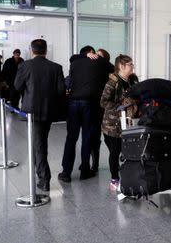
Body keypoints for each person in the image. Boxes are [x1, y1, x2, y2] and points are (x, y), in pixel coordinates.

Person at [14, 39, 65, 192]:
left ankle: (44, 178)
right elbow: (61, 90)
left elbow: (17, 86)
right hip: (49, 111)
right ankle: (41, 174)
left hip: (32, 111)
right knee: (40, 141)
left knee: (39, 143)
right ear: (45, 51)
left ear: (32, 50)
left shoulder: (25, 66)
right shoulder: (56, 67)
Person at [58, 46, 113, 183]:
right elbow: (113, 68)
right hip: (90, 104)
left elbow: (72, 59)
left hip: (73, 103)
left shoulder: (75, 61)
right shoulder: (100, 62)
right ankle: (85, 171)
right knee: (87, 137)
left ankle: (66, 172)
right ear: (92, 53)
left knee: (71, 137)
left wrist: (84, 56)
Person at [101, 54, 138, 191]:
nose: (132, 66)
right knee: (114, 152)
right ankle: (114, 179)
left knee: (128, 150)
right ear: (121, 66)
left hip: (127, 123)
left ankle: (129, 175)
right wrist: (119, 106)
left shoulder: (132, 80)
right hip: (112, 125)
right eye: (130, 64)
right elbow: (103, 102)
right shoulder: (113, 82)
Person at [90, 48, 114, 172]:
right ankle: (95, 164)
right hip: (95, 108)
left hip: (105, 111)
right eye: (95, 55)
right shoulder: (91, 71)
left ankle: (116, 159)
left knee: (108, 138)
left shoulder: (109, 73)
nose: (95, 58)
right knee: (95, 137)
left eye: (99, 56)